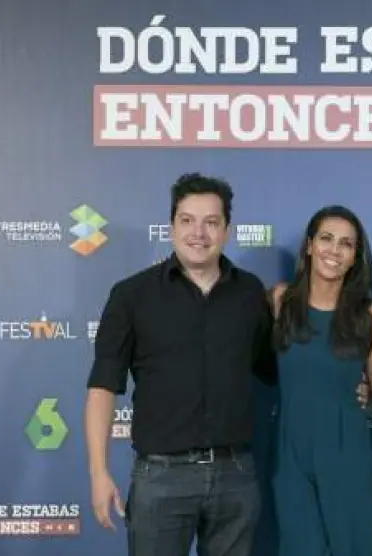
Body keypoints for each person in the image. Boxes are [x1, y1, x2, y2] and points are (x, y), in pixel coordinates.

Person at [84, 173, 277, 556]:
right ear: (171, 227)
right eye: (187, 220)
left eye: (211, 222)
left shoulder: (250, 293)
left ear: (227, 230)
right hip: (161, 478)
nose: (198, 233)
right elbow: (103, 387)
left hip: (235, 476)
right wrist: (98, 471)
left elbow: (272, 368)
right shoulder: (131, 295)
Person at [269, 205, 372, 556]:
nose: (334, 250)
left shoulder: (369, 316)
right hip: (290, 456)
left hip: (347, 452)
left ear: (354, 257)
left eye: (346, 244)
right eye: (326, 238)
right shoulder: (280, 300)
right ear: (309, 246)